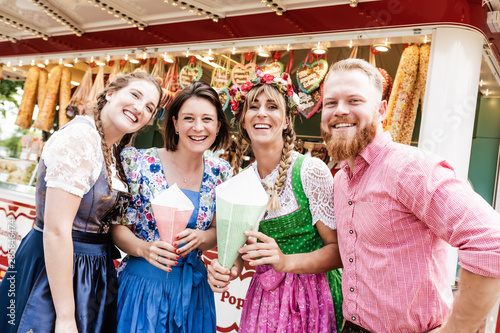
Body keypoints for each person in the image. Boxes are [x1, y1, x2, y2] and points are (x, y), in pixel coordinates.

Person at [320, 58, 500, 333]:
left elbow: (491, 241)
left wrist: (456, 330)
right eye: (331, 103)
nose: (340, 111)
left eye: (354, 100)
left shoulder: (411, 168)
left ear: (381, 110)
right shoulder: (342, 180)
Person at [0, 71, 162, 333]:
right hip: (57, 266)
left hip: (90, 270)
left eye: (149, 107)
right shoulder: (80, 138)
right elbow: (56, 230)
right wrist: (64, 316)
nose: (139, 108)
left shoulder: (110, 148)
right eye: (135, 95)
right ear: (110, 94)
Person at [207, 70, 343, 333]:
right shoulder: (241, 182)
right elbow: (238, 256)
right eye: (253, 107)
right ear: (242, 122)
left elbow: (338, 251)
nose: (261, 113)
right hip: (263, 303)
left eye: (272, 107)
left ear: (285, 121)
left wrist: (285, 261)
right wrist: (227, 269)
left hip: (312, 301)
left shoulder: (310, 171)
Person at [111, 81, 231, 333]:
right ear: (175, 123)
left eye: (207, 119)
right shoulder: (139, 162)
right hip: (142, 288)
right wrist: (144, 248)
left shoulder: (221, 172)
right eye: (189, 118)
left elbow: (217, 231)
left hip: (193, 292)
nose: (198, 127)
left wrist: (202, 237)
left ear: (218, 126)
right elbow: (118, 228)